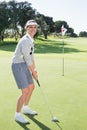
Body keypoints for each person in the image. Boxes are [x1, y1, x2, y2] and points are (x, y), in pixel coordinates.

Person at [11, 20, 38, 123]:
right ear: (26, 28)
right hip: (17, 65)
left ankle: (25, 108)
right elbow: (27, 58)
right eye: (30, 27)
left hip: (25, 65)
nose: (32, 29)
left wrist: (35, 70)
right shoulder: (25, 40)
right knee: (25, 90)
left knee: (31, 87)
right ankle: (17, 115)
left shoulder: (31, 39)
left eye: (34, 27)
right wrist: (33, 71)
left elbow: (31, 56)